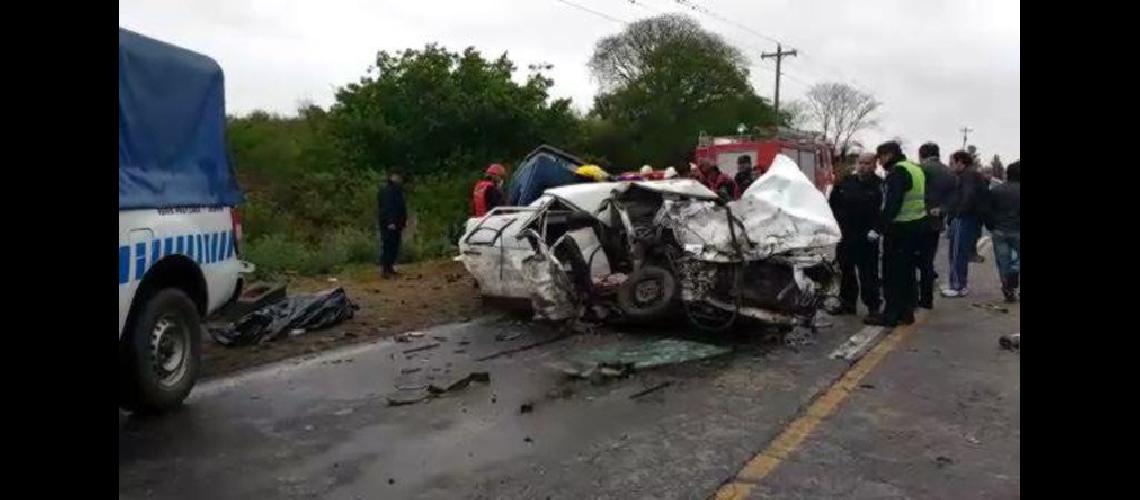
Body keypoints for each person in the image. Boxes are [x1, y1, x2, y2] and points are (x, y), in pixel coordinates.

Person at [865, 141, 927, 327]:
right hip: (917, 227)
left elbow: (893, 203)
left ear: (889, 155)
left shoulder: (897, 172)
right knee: (907, 273)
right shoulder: (915, 169)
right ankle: (907, 313)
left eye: (881, 156)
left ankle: (891, 315)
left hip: (900, 229)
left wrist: (878, 229)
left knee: (892, 274)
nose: (880, 161)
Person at [828, 152, 883, 318]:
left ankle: (873, 307)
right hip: (846, 235)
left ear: (874, 165)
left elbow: (884, 210)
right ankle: (847, 303)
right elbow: (833, 203)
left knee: (868, 274)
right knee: (845, 271)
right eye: (861, 163)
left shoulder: (879, 185)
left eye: (867, 163)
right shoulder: (846, 182)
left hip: (866, 237)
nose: (863, 166)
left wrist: (877, 229)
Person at [916, 142, 956, 309]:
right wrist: (942, 210)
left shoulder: (921, 169)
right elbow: (954, 198)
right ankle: (927, 300)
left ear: (922, 154)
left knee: (910, 259)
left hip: (916, 219)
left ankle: (912, 298)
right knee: (927, 260)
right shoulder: (950, 172)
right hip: (935, 222)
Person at [943, 150, 988, 297]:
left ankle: (957, 286)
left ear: (960, 162)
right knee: (959, 252)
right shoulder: (972, 174)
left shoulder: (967, 175)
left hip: (964, 218)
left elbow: (968, 196)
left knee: (957, 253)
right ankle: (959, 284)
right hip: (969, 217)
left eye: (952, 163)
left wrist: (959, 212)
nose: (950, 166)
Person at [983, 160, 1019, 302]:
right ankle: (1014, 271)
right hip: (1017, 230)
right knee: (1015, 261)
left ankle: (1007, 289)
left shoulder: (996, 190)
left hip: (999, 231)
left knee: (1003, 261)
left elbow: (987, 210)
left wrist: (991, 226)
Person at [378, 171, 407, 279]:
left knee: (394, 246)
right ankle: (385, 269)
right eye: (397, 176)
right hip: (390, 223)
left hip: (396, 223)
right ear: (392, 177)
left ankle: (390, 268)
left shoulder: (396, 190)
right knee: (388, 246)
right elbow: (387, 207)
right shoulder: (388, 190)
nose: (400, 178)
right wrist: (390, 222)